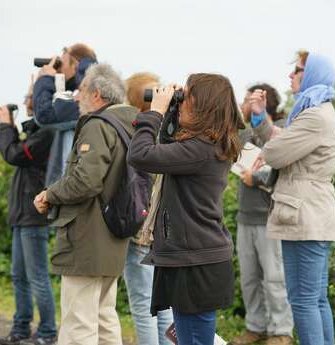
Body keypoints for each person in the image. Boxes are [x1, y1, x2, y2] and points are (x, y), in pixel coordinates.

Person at [128, 73, 245, 345]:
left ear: (202, 107)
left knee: (193, 340)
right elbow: (169, 148)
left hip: (196, 262)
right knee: (190, 339)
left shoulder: (200, 151)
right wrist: (170, 111)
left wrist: (155, 111)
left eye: (185, 99)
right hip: (195, 257)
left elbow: (140, 155)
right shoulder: (204, 147)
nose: (179, 103)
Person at [33, 63, 136, 345]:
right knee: (104, 318)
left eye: (81, 91)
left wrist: (49, 194)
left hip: (87, 237)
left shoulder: (98, 126)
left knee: (79, 323)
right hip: (114, 237)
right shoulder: (131, 126)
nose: (77, 97)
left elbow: (86, 181)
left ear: (97, 95)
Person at [250, 51, 335, 345]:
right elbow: (282, 138)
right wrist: (261, 119)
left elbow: (276, 152)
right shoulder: (315, 110)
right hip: (312, 213)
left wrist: (266, 151)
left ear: (311, 74)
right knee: (316, 299)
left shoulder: (314, 115)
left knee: (302, 300)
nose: (291, 75)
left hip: (304, 215)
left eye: (297, 70)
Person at [230, 84, 293, 345]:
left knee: (275, 278)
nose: (247, 103)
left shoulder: (283, 129)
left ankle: (281, 332)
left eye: (251, 100)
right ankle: (255, 327)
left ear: (266, 101)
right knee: (250, 278)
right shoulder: (245, 132)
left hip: (270, 218)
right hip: (246, 217)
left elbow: (284, 168)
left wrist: (255, 179)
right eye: (245, 99)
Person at [0, 85, 56, 345]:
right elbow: (21, 149)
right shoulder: (40, 130)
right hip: (22, 216)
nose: (26, 100)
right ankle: (21, 328)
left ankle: (47, 332)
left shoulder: (48, 132)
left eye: (30, 96)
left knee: (37, 277)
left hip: (34, 216)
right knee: (19, 276)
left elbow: (15, 153)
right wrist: (17, 126)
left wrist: (5, 126)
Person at [124, 72, 173, 345]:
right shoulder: (170, 130)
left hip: (142, 229)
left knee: (144, 306)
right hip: (165, 228)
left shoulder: (138, 133)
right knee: (163, 306)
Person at [33, 43, 97, 185]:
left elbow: (44, 115)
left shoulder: (86, 101)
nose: (59, 67)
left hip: (73, 191)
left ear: (76, 65)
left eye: (61, 63)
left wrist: (45, 79)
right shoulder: (92, 94)